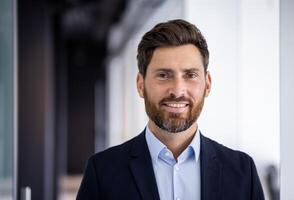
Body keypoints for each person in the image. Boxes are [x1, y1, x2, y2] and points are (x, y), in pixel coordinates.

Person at [76, 19, 265, 200]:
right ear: (140, 85)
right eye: (164, 75)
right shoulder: (102, 171)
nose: (177, 90)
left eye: (190, 75)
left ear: (207, 84)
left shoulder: (242, 172)